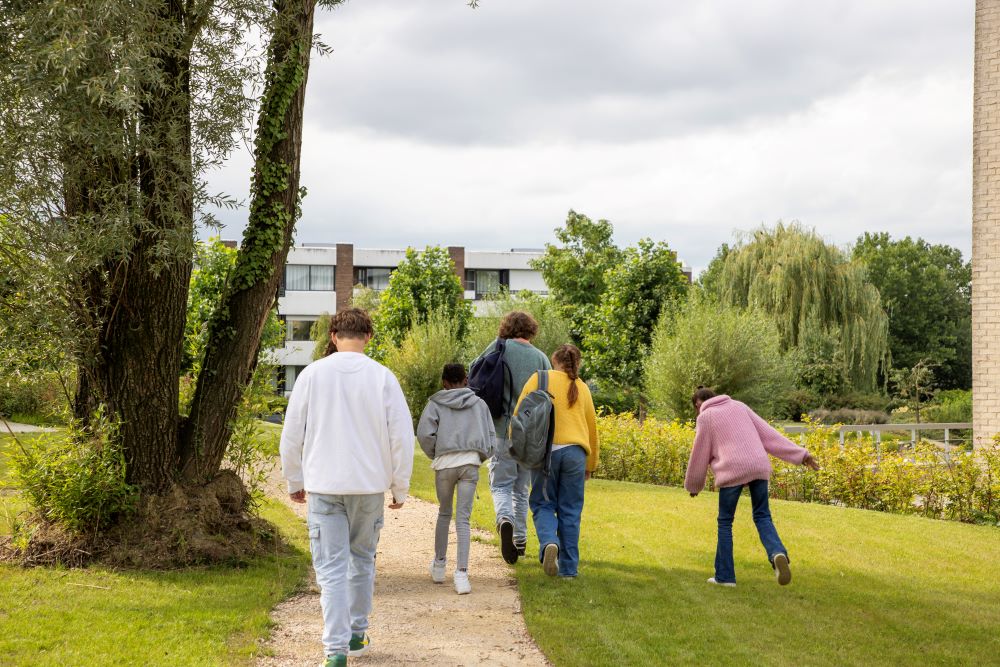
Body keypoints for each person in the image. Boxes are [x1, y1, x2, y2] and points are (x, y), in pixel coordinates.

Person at [279, 308, 414, 667]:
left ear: (334, 335)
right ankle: (356, 632)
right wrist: (400, 486)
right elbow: (402, 437)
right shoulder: (383, 377)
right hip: (368, 487)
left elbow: (292, 434)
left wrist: (295, 480)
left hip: (324, 484)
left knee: (332, 568)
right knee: (362, 561)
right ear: (368, 337)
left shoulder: (311, 375)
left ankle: (335, 650)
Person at [684, 387, 819, 588]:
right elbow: (769, 435)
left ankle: (725, 577)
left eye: (697, 407)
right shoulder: (739, 406)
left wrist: (694, 485)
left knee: (725, 522)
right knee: (763, 516)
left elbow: (700, 453)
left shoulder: (706, 417)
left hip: (732, 469)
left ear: (699, 403)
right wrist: (802, 455)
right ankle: (777, 553)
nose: (698, 411)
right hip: (759, 465)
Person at [514, 344, 599, 578]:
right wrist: (590, 465)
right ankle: (569, 570)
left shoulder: (539, 378)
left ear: (555, 361)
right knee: (570, 510)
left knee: (542, 503)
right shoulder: (582, 387)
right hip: (575, 454)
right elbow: (592, 428)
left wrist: (516, 444)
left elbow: (520, 414)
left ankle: (549, 542)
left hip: (545, 451)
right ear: (576, 363)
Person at [474, 311, 551, 564]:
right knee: (521, 488)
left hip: (501, 428)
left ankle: (503, 519)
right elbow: (548, 395)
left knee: (500, 485)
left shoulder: (499, 348)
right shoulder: (540, 357)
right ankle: (519, 540)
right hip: (530, 435)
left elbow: (475, 371)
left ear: (506, 327)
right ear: (531, 329)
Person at [416, 363, 496, 595]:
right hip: (469, 463)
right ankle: (461, 574)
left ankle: (439, 565)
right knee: (463, 519)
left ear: (444, 382)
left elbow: (424, 434)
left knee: (444, 513)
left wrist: (437, 452)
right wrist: (481, 455)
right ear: (466, 380)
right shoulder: (479, 405)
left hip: (445, 464)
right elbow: (491, 437)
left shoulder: (436, 403)